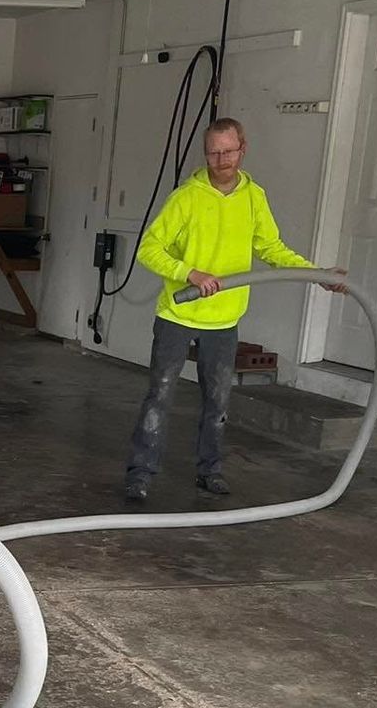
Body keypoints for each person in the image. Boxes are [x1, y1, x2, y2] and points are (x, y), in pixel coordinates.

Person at [123, 117, 342, 502]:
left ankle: (210, 471)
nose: (221, 159)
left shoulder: (254, 197)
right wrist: (187, 272)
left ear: (243, 148)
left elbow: (272, 249)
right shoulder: (186, 198)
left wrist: (317, 274)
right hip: (178, 314)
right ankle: (140, 473)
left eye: (228, 150)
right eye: (213, 151)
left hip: (224, 318)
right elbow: (148, 249)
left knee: (218, 401)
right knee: (159, 395)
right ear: (205, 153)